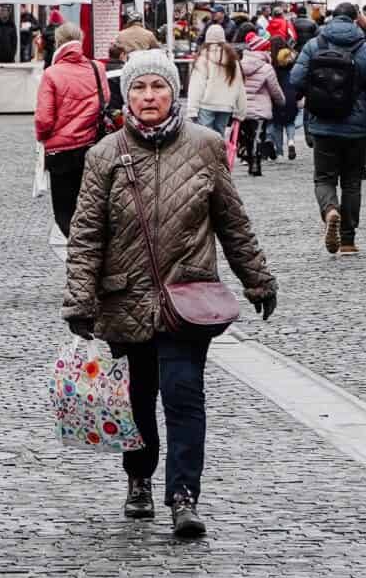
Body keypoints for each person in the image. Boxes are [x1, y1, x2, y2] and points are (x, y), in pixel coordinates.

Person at [64, 49, 277, 539]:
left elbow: (232, 220)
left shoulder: (205, 146)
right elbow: (87, 234)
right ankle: (138, 477)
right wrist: (80, 300)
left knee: (183, 394)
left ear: (173, 92)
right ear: (127, 98)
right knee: (137, 397)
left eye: (158, 87)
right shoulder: (104, 155)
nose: (148, 96)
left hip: (188, 296)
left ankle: (184, 494)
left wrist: (257, 279)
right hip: (125, 295)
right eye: (139, 89)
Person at [289, 3, 366, 255]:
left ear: (332, 18)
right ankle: (347, 240)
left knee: (324, 178)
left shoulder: (315, 45)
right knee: (352, 182)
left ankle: (330, 210)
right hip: (356, 131)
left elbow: (295, 79)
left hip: (323, 125)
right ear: (356, 19)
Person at [34, 28, 104, 232]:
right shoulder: (97, 68)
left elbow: (44, 120)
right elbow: (105, 101)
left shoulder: (51, 73)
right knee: (92, 207)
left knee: (65, 213)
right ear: (81, 40)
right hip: (93, 147)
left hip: (61, 152)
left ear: (57, 43)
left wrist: (43, 139)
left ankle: (78, 251)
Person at [186, 24, 243, 139]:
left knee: (206, 139)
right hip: (226, 105)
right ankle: (219, 157)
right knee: (219, 138)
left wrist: (192, 110)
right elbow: (239, 86)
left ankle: (209, 158)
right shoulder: (232, 60)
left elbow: (197, 86)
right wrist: (241, 110)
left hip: (206, 105)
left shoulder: (203, 58)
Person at [237, 33, 279, 177]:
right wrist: (281, 102)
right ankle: (255, 163)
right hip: (260, 109)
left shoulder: (239, 66)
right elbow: (275, 90)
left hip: (243, 107)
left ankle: (248, 160)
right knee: (257, 137)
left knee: (247, 136)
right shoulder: (267, 68)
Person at [266, 40, 300, 161]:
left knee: (277, 125)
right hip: (291, 95)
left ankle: (279, 152)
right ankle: (291, 142)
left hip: (278, 97)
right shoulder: (293, 62)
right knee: (290, 122)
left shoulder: (272, 64)